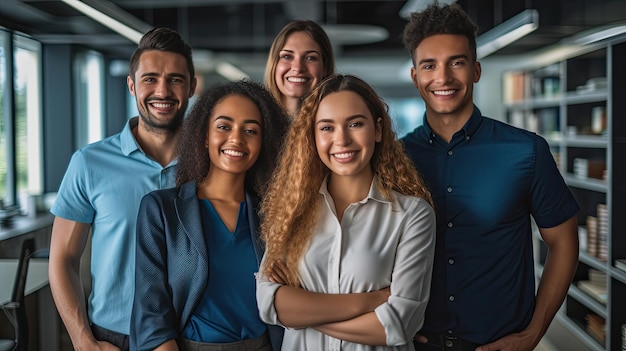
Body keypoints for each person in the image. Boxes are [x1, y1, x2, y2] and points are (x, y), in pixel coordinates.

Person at [400, 3, 580, 351]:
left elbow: (564, 242)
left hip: (500, 344)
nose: (443, 78)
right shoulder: (395, 159)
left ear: (476, 70)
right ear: (415, 76)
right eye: (429, 66)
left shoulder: (527, 151)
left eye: (457, 62)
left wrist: (535, 332)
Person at [256, 74, 436, 350]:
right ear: (312, 136)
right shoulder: (291, 210)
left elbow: (398, 325)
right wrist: (369, 301)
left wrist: (302, 313)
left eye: (355, 124)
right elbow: (269, 305)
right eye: (327, 128)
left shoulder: (412, 214)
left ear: (377, 130)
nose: (342, 139)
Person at [49, 27, 197, 351]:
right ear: (132, 85)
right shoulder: (90, 163)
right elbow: (62, 259)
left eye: (175, 79)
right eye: (150, 79)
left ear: (191, 87)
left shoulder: (211, 165)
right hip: (114, 338)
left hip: (193, 335)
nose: (163, 90)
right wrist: (83, 340)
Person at [130, 80, 289, 351]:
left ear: (263, 142)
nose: (236, 138)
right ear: (205, 135)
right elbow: (151, 313)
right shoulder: (161, 209)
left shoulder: (276, 216)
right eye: (224, 127)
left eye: (250, 130)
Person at [264, 19, 336, 117]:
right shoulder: (255, 121)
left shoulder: (335, 124)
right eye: (287, 56)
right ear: (274, 65)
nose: (298, 68)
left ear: (325, 67)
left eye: (310, 58)